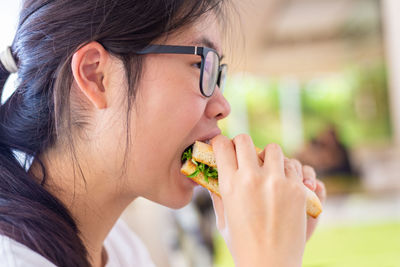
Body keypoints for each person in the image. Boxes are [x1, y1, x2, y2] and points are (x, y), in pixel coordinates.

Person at [0, 0, 326, 266]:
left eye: (217, 74)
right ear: (96, 75)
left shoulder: (120, 248)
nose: (222, 105)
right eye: (201, 66)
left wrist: (267, 239)